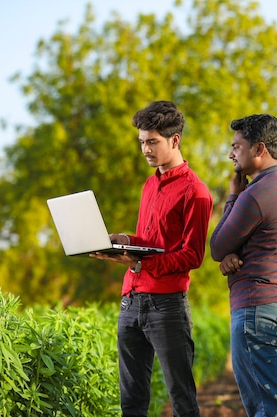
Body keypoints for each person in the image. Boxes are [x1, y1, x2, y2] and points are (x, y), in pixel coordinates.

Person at [91, 100, 213, 417]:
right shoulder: (149, 184)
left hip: (167, 305)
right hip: (130, 301)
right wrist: (125, 242)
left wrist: (139, 262)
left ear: (175, 140)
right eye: (142, 142)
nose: (145, 149)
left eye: (152, 142)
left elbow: (192, 255)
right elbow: (152, 242)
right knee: (131, 402)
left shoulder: (196, 192)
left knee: (182, 401)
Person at [209, 114, 277, 417]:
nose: (231, 154)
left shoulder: (255, 193)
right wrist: (232, 255)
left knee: (267, 410)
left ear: (259, 149)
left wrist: (233, 196)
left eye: (237, 146)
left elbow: (216, 246)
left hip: (257, 312)